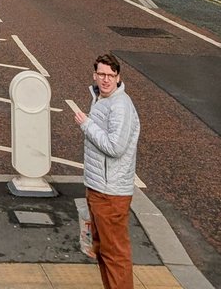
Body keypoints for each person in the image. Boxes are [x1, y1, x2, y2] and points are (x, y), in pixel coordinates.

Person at [73, 52, 140, 289]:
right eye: (101, 74)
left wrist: (86, 125)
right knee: (103, 251)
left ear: (118, 77)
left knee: (115, 256)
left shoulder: (120, 105)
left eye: (111, 75)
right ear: (94, 75)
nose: (106, 79)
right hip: (99, 188)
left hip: (111, 193)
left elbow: (115, 147)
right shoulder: (101, 99)